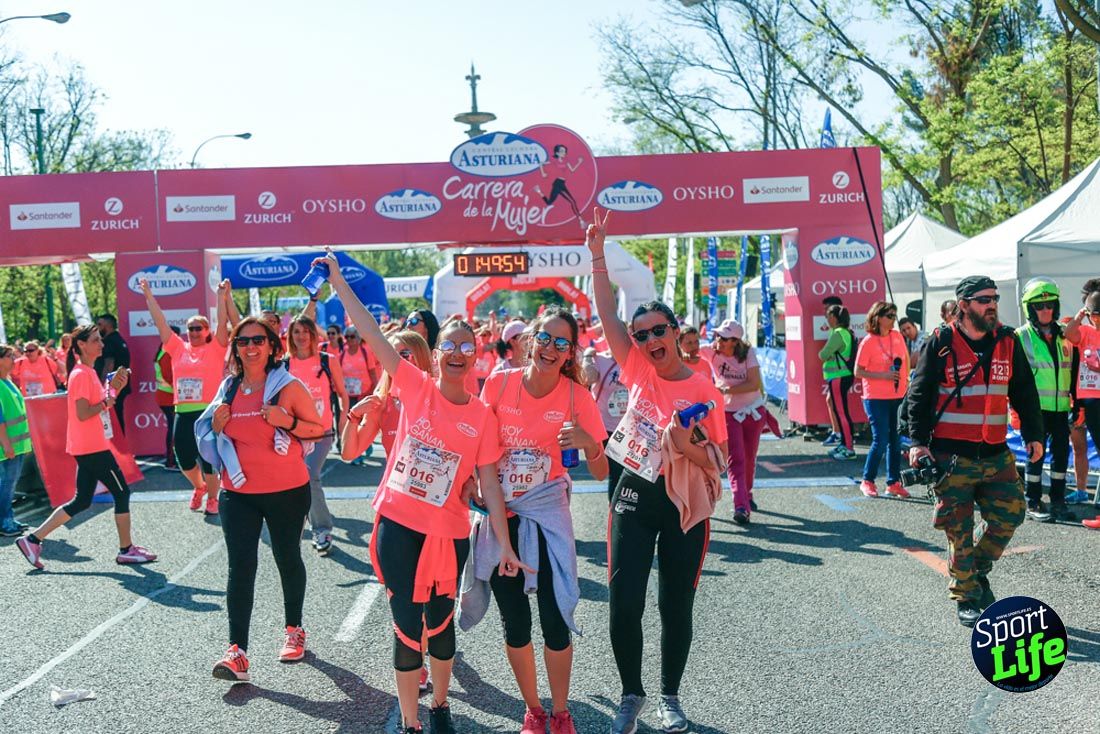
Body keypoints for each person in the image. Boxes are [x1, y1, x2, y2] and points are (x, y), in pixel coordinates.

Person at [324, 251, 524, 734]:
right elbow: (371, 332)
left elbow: (491, 484)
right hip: (398, 525)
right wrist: (338, 283)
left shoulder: (480, 416)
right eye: (449, 347)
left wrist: (506, 544)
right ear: (436, 355)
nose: (457, 354)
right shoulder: (415, 387)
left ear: (476, 357)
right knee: (404, 622)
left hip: (448, 533)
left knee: (440, 622)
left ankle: (440, 705)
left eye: (467, 348)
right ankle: (410, 721)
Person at [587, 209, 728, 734]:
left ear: (675, 331)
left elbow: (718, 463)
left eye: (658, 330)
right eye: (641, 334)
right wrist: (598, 254)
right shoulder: (638, 367)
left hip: (685, 504)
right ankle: (632, 694)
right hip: (633, 494)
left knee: (675, 605)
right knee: (624, 603)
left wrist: (682, 446)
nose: (649, 340)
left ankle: (670, 697)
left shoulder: (703, 387)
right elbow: (606, 313)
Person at [465, 306, 608, 734]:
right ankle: (533, 709)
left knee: (553, 616)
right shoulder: (499, 382)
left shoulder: (576, 397)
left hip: (547, 515)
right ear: (530, 339)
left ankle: (560, 711)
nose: (550, 348)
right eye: (544, 338)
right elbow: (477, 445)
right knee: (515, 621)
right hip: (499, 514)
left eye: (561, 343)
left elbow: (602, 471)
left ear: (570, 354)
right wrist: (474, 485)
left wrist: (588, 444)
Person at [906, 275, 1043, 625]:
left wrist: (1033, 434)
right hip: (951, 457)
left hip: (996, 453)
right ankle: (966, 594)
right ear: (964, 305)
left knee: (1011, 513)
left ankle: (974, 569)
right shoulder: (941, 342)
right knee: (959, 527)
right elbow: (918, 396)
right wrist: (917, 443)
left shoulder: (1007, 341)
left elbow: (1025, 392)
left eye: (994, 298)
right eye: (983, 299)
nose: (992, 304)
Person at [196, 316, 327, 681]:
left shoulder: (289, 387)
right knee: (241, 566)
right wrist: (217, 426)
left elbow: (318, 430)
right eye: (243, 341)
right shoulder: (229, 388)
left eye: (258, 340)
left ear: (272, 346)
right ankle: (237, 652)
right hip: (237, 492)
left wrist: (286, 422)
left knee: (287, 556)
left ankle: (294, 629)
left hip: (287, 490)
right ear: (235, 348)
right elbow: (209, 434)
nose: (250, 347)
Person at [16, 325, 156, 570]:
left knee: (81, 501)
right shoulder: (82, 374)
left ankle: (32, 539)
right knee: (122, 493)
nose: (101, 344)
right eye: (95, 340)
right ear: (81, 345)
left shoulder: (87, 372)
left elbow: (99, 406)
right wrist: (108, 399)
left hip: (88, 445)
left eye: (100, 340)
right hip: (91, 447)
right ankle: (126, 550)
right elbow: (84, 413)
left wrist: (114, 391)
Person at [141, 279, 231, 515]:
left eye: (197, 328)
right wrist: (149, 295)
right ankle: (199, 487)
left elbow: (223, 322)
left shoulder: (216, 348)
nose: (193, 332)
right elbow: (160, 322)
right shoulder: (177, 347)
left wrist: (222, 297)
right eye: (190, 328)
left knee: (210, 458)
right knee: (183, 458)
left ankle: (213, 498)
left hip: (209, 411)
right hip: (182, 410)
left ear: (206, 331)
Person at [1016, 278, 1078, 523]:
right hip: (1034, 410)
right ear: (1030, 309)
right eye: (1040, 306)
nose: (1046, 310)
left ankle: (1058, 500)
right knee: (1035, 455)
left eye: (1050, 305)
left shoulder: (1065, 335)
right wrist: (1016, 408)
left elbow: (1072, 371)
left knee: (1061, 456)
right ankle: (1032, 501)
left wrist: (1078, 403)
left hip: (1061, 408)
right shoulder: (1020, 336)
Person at [286, 316, 348, 555]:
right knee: (293, 479)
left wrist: (343, 418)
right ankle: (299, 524)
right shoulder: (285, 364)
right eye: (296, 332)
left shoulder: (327, 360)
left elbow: (342, 393)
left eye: (306, 332)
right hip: (293, 433)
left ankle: (322, 528)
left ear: (314, 335)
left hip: (321, 433)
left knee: (310, 475)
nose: (301, 336)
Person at [341, 330, 431, 463]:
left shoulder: (439, 394)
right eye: (391, 355)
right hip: (395, 483)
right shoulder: (381, 403)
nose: (395, 361)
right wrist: (354, 416)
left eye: (404, 354)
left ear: (420, 356)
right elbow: (348, 454)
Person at [712, 319, 765, 525]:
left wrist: (726, 390)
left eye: (724, 338)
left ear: (735, 341)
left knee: (750, 457)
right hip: (728, 413)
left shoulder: (748, 353)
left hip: (753, 411)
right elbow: (689, 356)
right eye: (718, 335)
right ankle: (741, 505)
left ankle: (747, 493)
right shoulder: (711, 351)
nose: (719, 340)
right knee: (736, 459)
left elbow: (754, 384)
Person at [855, 301, 910, 498]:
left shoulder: (897, 336)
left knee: (895, 441)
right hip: (875, 397)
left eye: (894, 315)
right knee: (881, 439)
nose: (893, 320)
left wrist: (907, 382)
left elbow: (905, 360)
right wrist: (883, 376)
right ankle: (867, 480)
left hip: (898, 395)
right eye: (890, 316)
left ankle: (893, 482)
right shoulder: (868, 341)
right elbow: (858, 371)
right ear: (877, 317)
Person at [1068, 279, 1100, 529]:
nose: (1097, 319)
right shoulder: (1087, 332)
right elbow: (1069, 333)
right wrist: (1080, 316)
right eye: (1094, 314)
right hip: (1086, 401)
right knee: (1083, 448)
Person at [581, 346, 627, 497]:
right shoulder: (600, 359)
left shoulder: (633, 360)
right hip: (606, 426)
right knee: (616, 470)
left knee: (630, 471)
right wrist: (587, 357)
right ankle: (614, 512)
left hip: (629, 426)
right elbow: (588, 378)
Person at [0, 345, 32, 536]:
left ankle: (8, 517)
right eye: (10, 356)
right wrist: (6, 444)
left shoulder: (8, 381)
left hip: (16, 444)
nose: (14, 360)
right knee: (6, 484)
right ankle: (4, 523)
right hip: (7, 446)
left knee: (10, 484)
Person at [818, 305, 857, 461]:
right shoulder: (845, 332)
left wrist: (826, 355)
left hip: (839, 376)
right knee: (840, 410)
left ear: (834, 317)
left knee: (841, 412)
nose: (827, 319)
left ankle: (849, 448)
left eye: (828, 316)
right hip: (842, 376)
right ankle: (844, 443)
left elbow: (823, 354)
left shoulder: (838, 333)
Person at [94, 313, 131, 431]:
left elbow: (108, 365)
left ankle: (117, 447)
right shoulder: (119, 340)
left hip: (112, 388)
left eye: (100, 325)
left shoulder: (109, 342)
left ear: (108, 326)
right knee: (116, 418)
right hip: (118, 386)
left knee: (112, 420)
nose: (97, 328)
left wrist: (102, 388)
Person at [153, 326, 181, 470]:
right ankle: (171, 461)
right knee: (173, 429)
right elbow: (168, 376)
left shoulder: (164, 350)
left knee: (173, 428)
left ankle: (173, 460)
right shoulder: (166, 352)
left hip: (167, 395)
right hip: (168, 396)